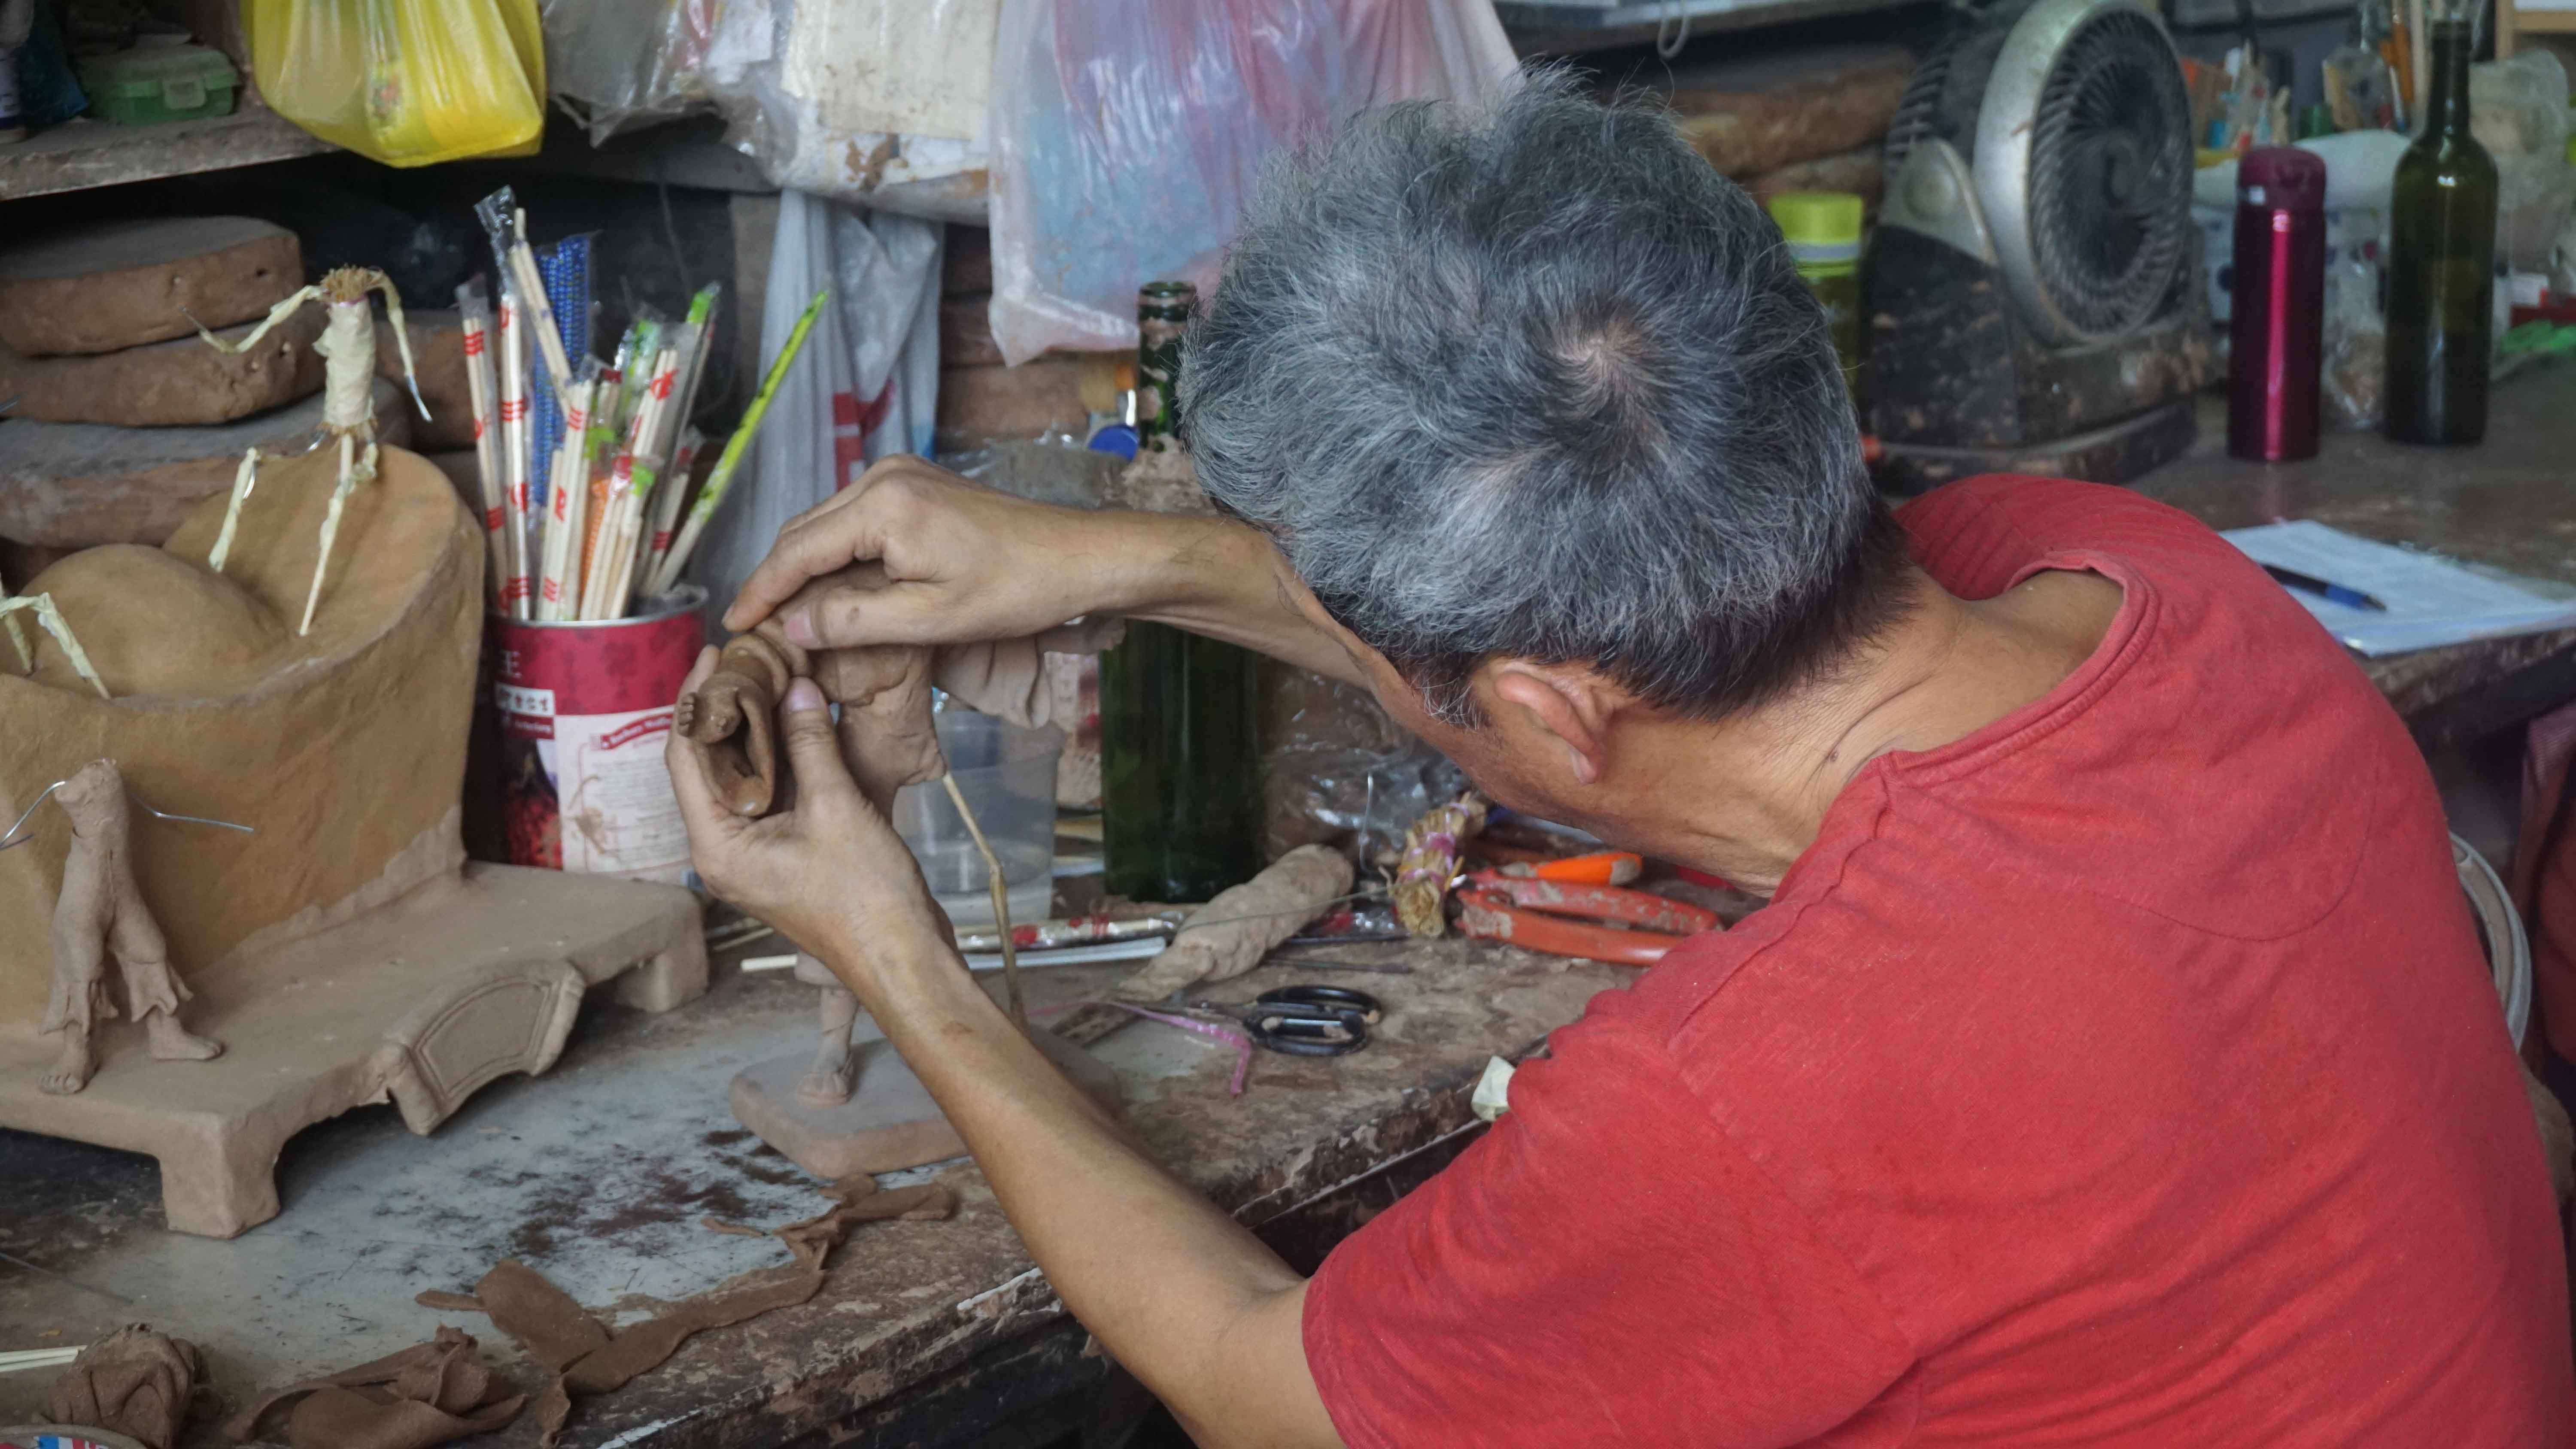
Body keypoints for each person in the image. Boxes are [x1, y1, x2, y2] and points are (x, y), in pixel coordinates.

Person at [669, 77, 2573, 1446]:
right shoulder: (2157, 590)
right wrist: (1130, 557)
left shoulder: (1739, 1098)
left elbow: (1269, 1381)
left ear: (1556, 716)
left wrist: (880, 938)